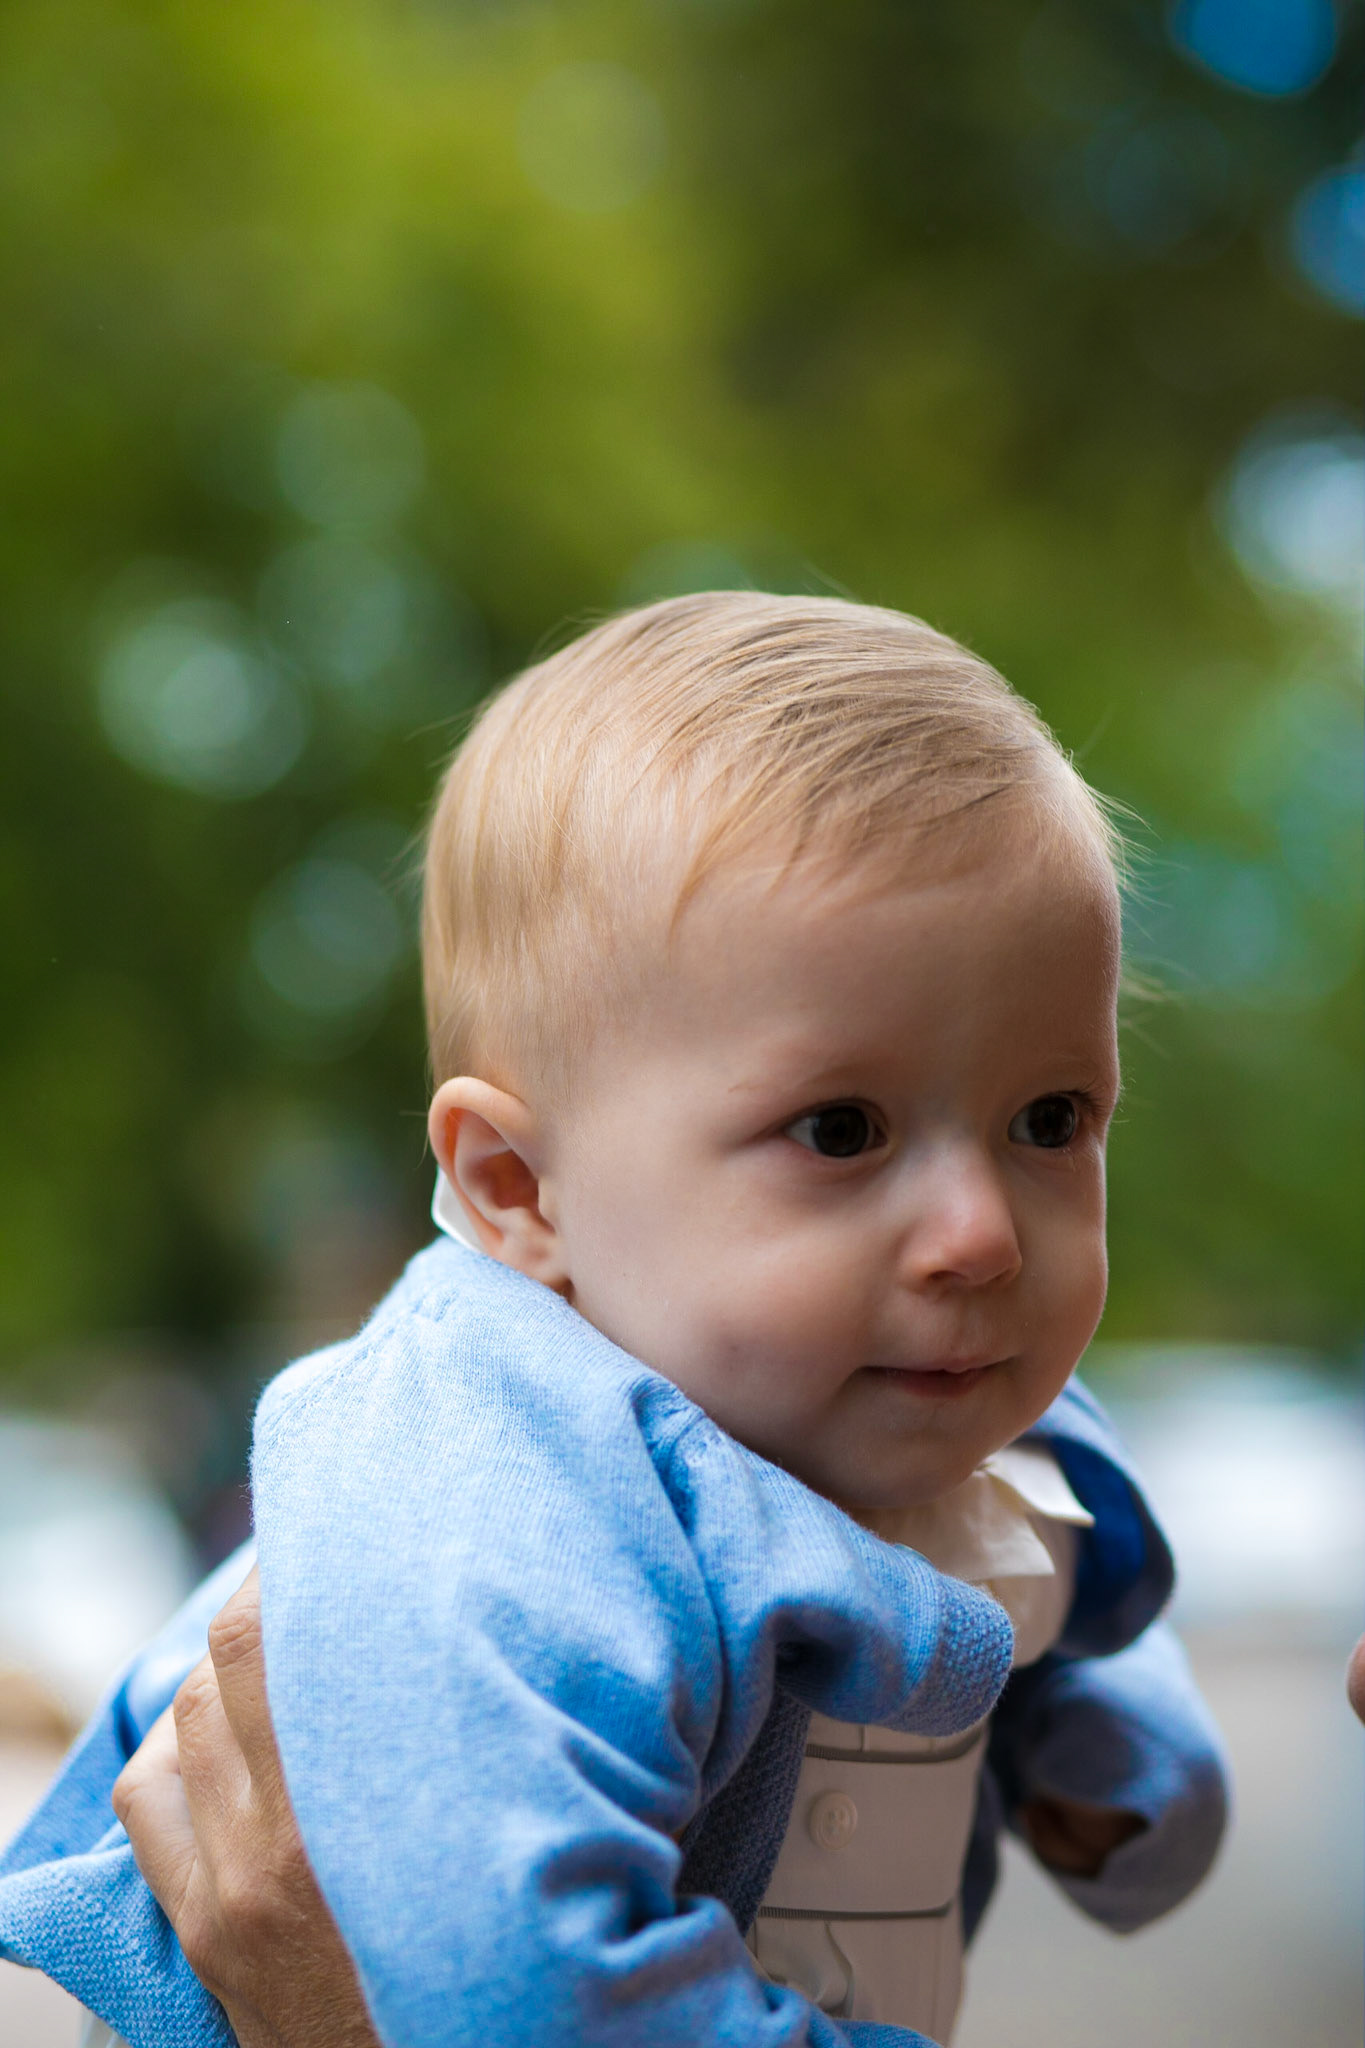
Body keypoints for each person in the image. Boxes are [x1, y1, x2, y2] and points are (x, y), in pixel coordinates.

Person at [0, 594, 1227, 2047]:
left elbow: (1028, 1516)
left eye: (1050, 1119)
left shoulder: (888, 1390)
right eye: (841, 1129)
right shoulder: (480, 1492)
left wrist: (1102, 1738)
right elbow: (521, 1991)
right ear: (519, 1188)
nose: (980, 1235)